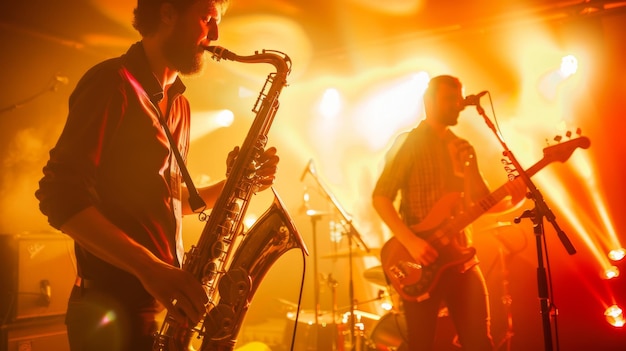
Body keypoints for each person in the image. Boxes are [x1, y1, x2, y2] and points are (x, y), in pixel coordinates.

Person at [35, 0, 280, 350]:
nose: (215, 34)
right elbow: (59, 196)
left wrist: (236, 184)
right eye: (207, 18)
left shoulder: (179, 103)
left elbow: (164, 197)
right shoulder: (111, 82)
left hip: (157, 302)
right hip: (109, 310)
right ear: (167, 12)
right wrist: (151, 269)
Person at [372, 75, 526, 351]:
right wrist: (411, 242)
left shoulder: (462, 148)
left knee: (480, 342)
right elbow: (381, 197)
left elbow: (481, 203)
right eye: (449, 99)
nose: (457, 105)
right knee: (422, 345)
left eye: (458, 99)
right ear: (428, 102)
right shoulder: (407, 144)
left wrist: (514, 199)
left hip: (461, 259)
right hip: (421, 259)